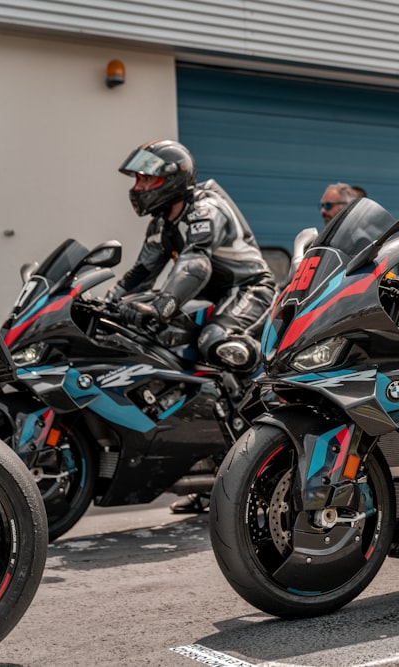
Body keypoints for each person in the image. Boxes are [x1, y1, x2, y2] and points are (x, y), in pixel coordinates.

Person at [112, 139, 277, 514]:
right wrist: (108, 301)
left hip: (248, 288)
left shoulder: (205, 208)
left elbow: (195, 265)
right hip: (211, 297)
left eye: (144, 180)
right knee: (169, 354)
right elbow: (142, 272)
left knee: (216, 342)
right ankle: (209, 473)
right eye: (137, 179)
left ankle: (267, 423)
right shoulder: (162, 221)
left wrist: (164, 305)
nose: (136, 187)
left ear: (172, 180)